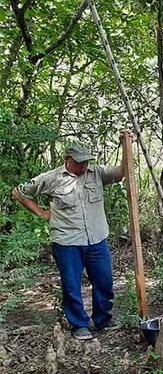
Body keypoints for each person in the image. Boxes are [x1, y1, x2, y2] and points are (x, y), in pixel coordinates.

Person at [12, 136, 130, 340]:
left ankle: (103, 319)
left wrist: (126, 146)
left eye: (86, 162)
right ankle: (79, 324)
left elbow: (121, 172)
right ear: (68, 159)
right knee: (71, 284)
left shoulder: (97, 173)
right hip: (67, 241)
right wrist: (41, 212)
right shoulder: (52, 178)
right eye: (80, 162)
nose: (84, 166)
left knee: (104, 281)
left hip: (97, 239)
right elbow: (19, 192)